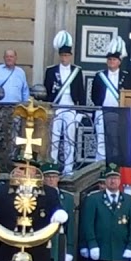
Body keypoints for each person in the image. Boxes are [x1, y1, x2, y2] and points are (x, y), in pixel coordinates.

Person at [43, 31, 87, 173]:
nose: (64, 58)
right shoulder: (51, 71)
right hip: (56, 107)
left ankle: (68, 168)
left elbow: (81, 91)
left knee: (70, 138)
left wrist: (80, 111)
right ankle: (53, 165)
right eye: (62, 56)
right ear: (59, 56)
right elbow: (46, 91)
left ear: (70, 56)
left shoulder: (77, 71)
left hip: (71, 106)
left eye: (67, 56)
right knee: (54, 138)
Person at [91, 38, 130, 161]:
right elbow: (94, 95)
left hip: (119, 112)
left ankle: (115, 165)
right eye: (109, 59)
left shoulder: (126, 76)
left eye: (114, 59)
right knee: (101, 138)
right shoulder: (99, 75)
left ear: (119, 61)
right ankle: (100, 165)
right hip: (102, 110)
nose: (111, 61)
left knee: (117, 139)